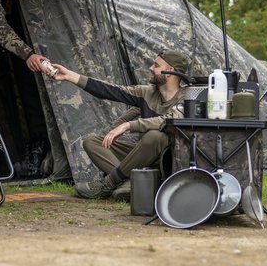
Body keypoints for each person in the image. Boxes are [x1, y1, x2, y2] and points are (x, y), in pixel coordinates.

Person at [48, 50, 189, 200]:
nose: (151, 68)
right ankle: (130, 183)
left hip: (166, 158)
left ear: (170, 71)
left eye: (156, 65)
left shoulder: (188, 96)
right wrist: (70, 76)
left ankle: (108, 184)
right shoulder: (147, 93)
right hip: (140, 156)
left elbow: (167, 120)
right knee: (92, 142)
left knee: (155, 136)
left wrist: (128, 125)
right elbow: (111, 91)